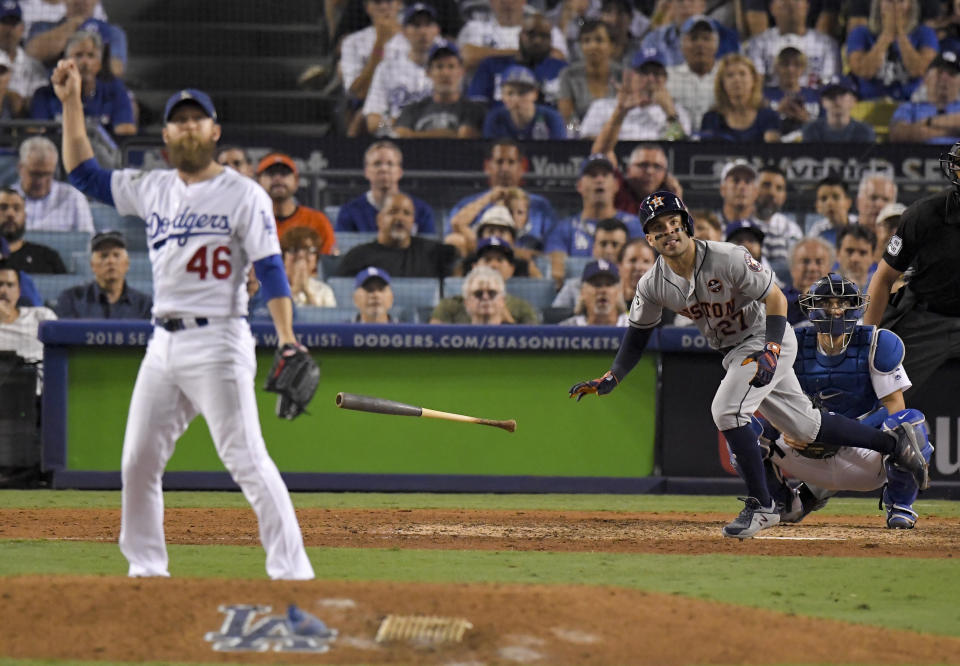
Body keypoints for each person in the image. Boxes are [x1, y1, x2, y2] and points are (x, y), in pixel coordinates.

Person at [54, 61, 315, 580]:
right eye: (179, 120)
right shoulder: (152, 188)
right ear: (167, 134)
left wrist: (288, 340)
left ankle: (293, 573)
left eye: (199, 120)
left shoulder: (246, 195)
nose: (189, 126)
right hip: (163, 344)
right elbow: (83, 173)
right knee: (137, 463)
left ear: (214, 132)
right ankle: (147, 571)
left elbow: (271, 270)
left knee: (246, 460)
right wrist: (71, 103)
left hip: (219, 338)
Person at [568, 191, 929, 538]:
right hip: (735, 350)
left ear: (686, 224)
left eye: (674, 223)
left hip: (764, 338)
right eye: (658, 228)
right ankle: (896, 445)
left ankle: (763, 505)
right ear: (648, 238)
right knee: (808, 427)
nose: (668, 232)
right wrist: (613, 376)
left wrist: (771, 348)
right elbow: (637, 335)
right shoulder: (653, 284)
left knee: (726, 411)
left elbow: (775, 298)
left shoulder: (727, 257)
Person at [754, 274, 933, 530]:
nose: (836, 310)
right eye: (827, 302)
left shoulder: (877, 343)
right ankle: (783, 502)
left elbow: (895, 409)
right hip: (806, 448)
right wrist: (785, 426)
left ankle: (900, 505)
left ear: (855, 306)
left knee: (910, 423)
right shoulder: (790, 343)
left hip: (862, 452)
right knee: (745, 427)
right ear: (812, 307)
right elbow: (766, 397)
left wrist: (839, 433)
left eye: (843, 303)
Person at [863, 141, 960, 393]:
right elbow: (883, 278)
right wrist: (867, 339)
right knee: (874, 385)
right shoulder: (924, 215)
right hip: (925, 319)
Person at [447, 138, 557, 252]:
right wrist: (488, 198)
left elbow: (553, 247)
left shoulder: (540, 205)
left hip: (526, 264)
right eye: (499, 162)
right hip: (481, 262)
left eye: (511, 162)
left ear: (521, 167)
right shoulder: (469, 204)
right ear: (488, 166)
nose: (505, 169)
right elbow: (453, 229)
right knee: (454, 239)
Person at [546, 154, 641, 284]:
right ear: (579, 185)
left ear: (616, 185)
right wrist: (556, 260)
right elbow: (555, 263)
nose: (599, 179)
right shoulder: (564, 228)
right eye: (593, 175)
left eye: (605, 175)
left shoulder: (634, 225)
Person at [30, 29, 135, 136]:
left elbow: (126, 132)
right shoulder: (44, 95)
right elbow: (36, 135)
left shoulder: (115, 92)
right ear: (65, 62)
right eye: (78, 55)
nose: (85, 62)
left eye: (91, 56)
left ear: (99, 64)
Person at [579, 48, 691, 141]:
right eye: (644, 72)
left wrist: (670, 113)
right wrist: (620, 112)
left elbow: (683, 150)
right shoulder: (602, 107)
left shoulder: (677, 112)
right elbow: (585, 144)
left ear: (665, 78)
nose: (651, 79)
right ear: (631, 76)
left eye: (657, 73)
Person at [336, 192, 457, 278]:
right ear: (379, 219)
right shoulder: (358, 256)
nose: (400, 218)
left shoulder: (434, 253)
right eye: (393, 212)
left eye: (407, 213)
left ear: (413, 221)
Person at [362, 2, 439, 135]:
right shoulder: (387, 69)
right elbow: (373, 122)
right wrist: (392, 122)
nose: (423, 31)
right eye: (416, 25)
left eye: (428, 25)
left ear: (437, 30)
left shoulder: (449, 68)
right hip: (396, 139)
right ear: (404, 32)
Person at [468, 13, 567, 108]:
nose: (537, 41)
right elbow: (477, 105)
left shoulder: (562, 70)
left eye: (544, 36)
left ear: (551, 40)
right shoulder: (491, 65)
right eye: (531, 34)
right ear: (520, 36)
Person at [335, 141, 436, 235]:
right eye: (377, 163)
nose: (384, 169)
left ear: (400, 172)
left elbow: (428, 249)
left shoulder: (421, 210)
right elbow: (344, 249)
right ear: (366, 171)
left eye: (390, 164)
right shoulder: (349, 211)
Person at [846, 0, 937, 101]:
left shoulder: (925, 33)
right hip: (869, 105)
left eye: (901, 1)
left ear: (910, 5)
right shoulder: (860, 33)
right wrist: (886, 35)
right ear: (879, 5)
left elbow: (919, 70)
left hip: (912, 105)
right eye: (889, 1)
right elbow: (864, 71)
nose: (895, 7)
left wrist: (901, 34)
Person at [395, 40, 485, 138]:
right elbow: (401, 135)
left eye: (451, 66)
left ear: (461, 71)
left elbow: (466, 136)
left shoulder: (474, 110)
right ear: (428, 72)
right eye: (439, 66)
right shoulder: (412, 109)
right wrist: (450, 134)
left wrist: (414, 135)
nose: (445, 73)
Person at [431, 241, 538, 323]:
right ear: (466, 301)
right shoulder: (450, 305)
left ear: (502, 300)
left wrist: (506, 321)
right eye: (487, 260)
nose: (494, 265)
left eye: (492, 293)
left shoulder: (523, 307)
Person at [54, 230, 152, 318]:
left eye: (116, 255)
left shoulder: (145, 305)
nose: (110, 261)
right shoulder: (71, 300)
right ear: (92, 265)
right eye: (104, 256)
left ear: (127, 264)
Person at [744, 0, 841, 88]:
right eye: (784, 3)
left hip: (816, 101)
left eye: (796, 1)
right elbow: (754, 86)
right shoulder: (757, 43)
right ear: (772, 8)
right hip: (769, 100)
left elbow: (831, 84)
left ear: (807, 6)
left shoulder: (826, 44)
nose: (790, 4)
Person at [256, 152, 335, 255]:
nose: (277, 178)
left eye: (284, 173)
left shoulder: (317, 220)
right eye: (271, 173)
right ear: (258, 182)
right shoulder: (251, 221)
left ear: (296, 181)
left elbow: (327, 263)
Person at [457, 0, 568, 72]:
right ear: (491, 2)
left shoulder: (543, 26)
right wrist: (524, 54)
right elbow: (466, 58)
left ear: (524, 1)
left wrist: (491, 55)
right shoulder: (475, 27)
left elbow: (557, 57)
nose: (507, 2)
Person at [338, 0, 409, 111]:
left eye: (389, 2)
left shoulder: (418, 37)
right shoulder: (352, 42)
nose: (384, 6)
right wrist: (380, 43)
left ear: (399, 4)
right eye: (377, 2)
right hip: (369, 109)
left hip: (410, 107)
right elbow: (359, 93)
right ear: (367, 7)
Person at [14, 135, 93, 233]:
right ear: (20, 168)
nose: (41, 181)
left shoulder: (73, 197)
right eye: (35, 174)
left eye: (47, 174)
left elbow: (87, 240)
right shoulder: (5, 199)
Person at [26, 0, 126, 77]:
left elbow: (116, 70)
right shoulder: (42, 27)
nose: (82, 1)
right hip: (53, 93)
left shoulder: (113, 32)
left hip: (99, 95)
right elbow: (33, 52)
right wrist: (75, 24)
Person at [588, 139, 683, 216]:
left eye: (657, 167)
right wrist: (619, 115)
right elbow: (602, 151)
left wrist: (678, 198)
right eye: (643, 165)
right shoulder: (618, 188)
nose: (650, 172)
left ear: (665, 175)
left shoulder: (668, 201)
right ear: (628, 170)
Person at [699, 54, 782, 142]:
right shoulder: (711, 118)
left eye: (742, 74)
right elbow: (705, 154)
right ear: (722, 83)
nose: (736, 79)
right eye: (730, 75)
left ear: (753, 80)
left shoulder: (769, 116)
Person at [551, 215, 631, 306]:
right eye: (603, 244)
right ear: (594, 248)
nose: (608, 250)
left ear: (626, 249)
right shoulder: (573, 287)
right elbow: (555, 318)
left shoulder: (637, 287)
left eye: (615, 244)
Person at [556, 19, 621, 126]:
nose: (592, 46)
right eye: (586, 41)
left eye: (599, 40)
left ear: (612, 46)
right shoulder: (568, 75)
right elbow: (566, 119)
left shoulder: (623, 75)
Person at [0, 258, 55, 381]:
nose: (4, 291)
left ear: (19, 291)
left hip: (38, 394)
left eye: (10, 285)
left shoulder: (42, 316)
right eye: (0, 284)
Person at [640, 0, 740, 66]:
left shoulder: (727, 37)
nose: (686, 5)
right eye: (680, 1)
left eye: (692, 0)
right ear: (672, 6)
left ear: (703, 5)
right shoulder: (653, 40)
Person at [889, 50, 960, 143]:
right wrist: (952, 130)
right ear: (926, 78)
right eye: (939, 72)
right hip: (922, 156)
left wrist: (928, 122)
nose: (944, 78)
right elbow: (898, 134)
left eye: (951, 74)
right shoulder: (909, 108)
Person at [665, 15, 720, 133]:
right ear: (682, 45)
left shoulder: (726, 76)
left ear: (716, 44)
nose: (700, 44)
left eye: (706, 38)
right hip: (679, 142)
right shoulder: (667, 77)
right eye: (694, 38)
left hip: (719, 144)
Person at [482, 64, 566, 139]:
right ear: (503, 96)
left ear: (535, 94)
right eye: (510, 93)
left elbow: (559, 151)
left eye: (522, 92)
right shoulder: (495, 119)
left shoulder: (552, 118)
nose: (516, 99)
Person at [457, 204, 543, 277]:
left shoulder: (524, 265)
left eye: (502, 232)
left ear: (512, 239)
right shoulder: (468, 262)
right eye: (490, 231)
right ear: (481, 237)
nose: (496, 236)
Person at [754, 164, 803, 285]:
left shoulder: (791, 229)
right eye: (766, 185)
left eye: (779, 188)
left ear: (784, 196)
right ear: (752, 188)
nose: (772, 192)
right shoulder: (739, 224)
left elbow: (796, 270)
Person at [0, 187, 66, 273]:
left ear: (25, 216)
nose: (10, 214)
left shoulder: (47, 258)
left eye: (17, 208)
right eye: (3, 208)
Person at [764, 47, 821, 136]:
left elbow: (826, 130)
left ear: (803, 68)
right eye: (785, 64)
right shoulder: (764, 95)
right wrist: (778, 112)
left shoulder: (817, 95)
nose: (791, 69)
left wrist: (807, 119)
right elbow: (756, 129)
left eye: (797, 65)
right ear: (777, 67)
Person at [801, 75, 876, 142]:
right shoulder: (811, 130)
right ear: (822, 102)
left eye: (841, 95)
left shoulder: (864, 132)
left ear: (853, 100)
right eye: (831, 95)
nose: (836, 100)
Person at [0, 0, 47, 106]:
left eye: (14, 23)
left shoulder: (34, 66)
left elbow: (39, 102)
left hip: (26, 121)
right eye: (4, 22)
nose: (9, 29)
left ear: (22, 28)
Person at [558, 259, 628, 326]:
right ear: (582, 292)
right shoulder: (566, 330)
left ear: (618, 292)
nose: (603, 290)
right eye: (597, 285)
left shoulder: (634, 329)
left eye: (609, 284)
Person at [280, 227, 337, 307]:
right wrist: (294, 290)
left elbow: (326, 318)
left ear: (316, 259)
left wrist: (307, 292)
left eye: (309, 250)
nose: (301, 256)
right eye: (293, 250)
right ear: (283, 257)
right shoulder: (272, 287)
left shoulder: (324, 290)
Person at [807, 173, 854, 247]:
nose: (829, 203)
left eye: (836, 197)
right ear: (817, 206)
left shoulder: (860, 225)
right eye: (824, 199)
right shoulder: (817, 231)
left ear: (848, 202)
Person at [617, 237, 656, 308]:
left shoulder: (668, 306)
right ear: (619, 266)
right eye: (632, 260)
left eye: (646, 261)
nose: (639, 267)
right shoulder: (609, 304)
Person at [836, 225, 877, 290]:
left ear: (873, 257)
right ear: (837, 254)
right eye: (849, 251)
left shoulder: (882, 288)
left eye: (863, 253)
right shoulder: (823, 288)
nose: (855, 259)